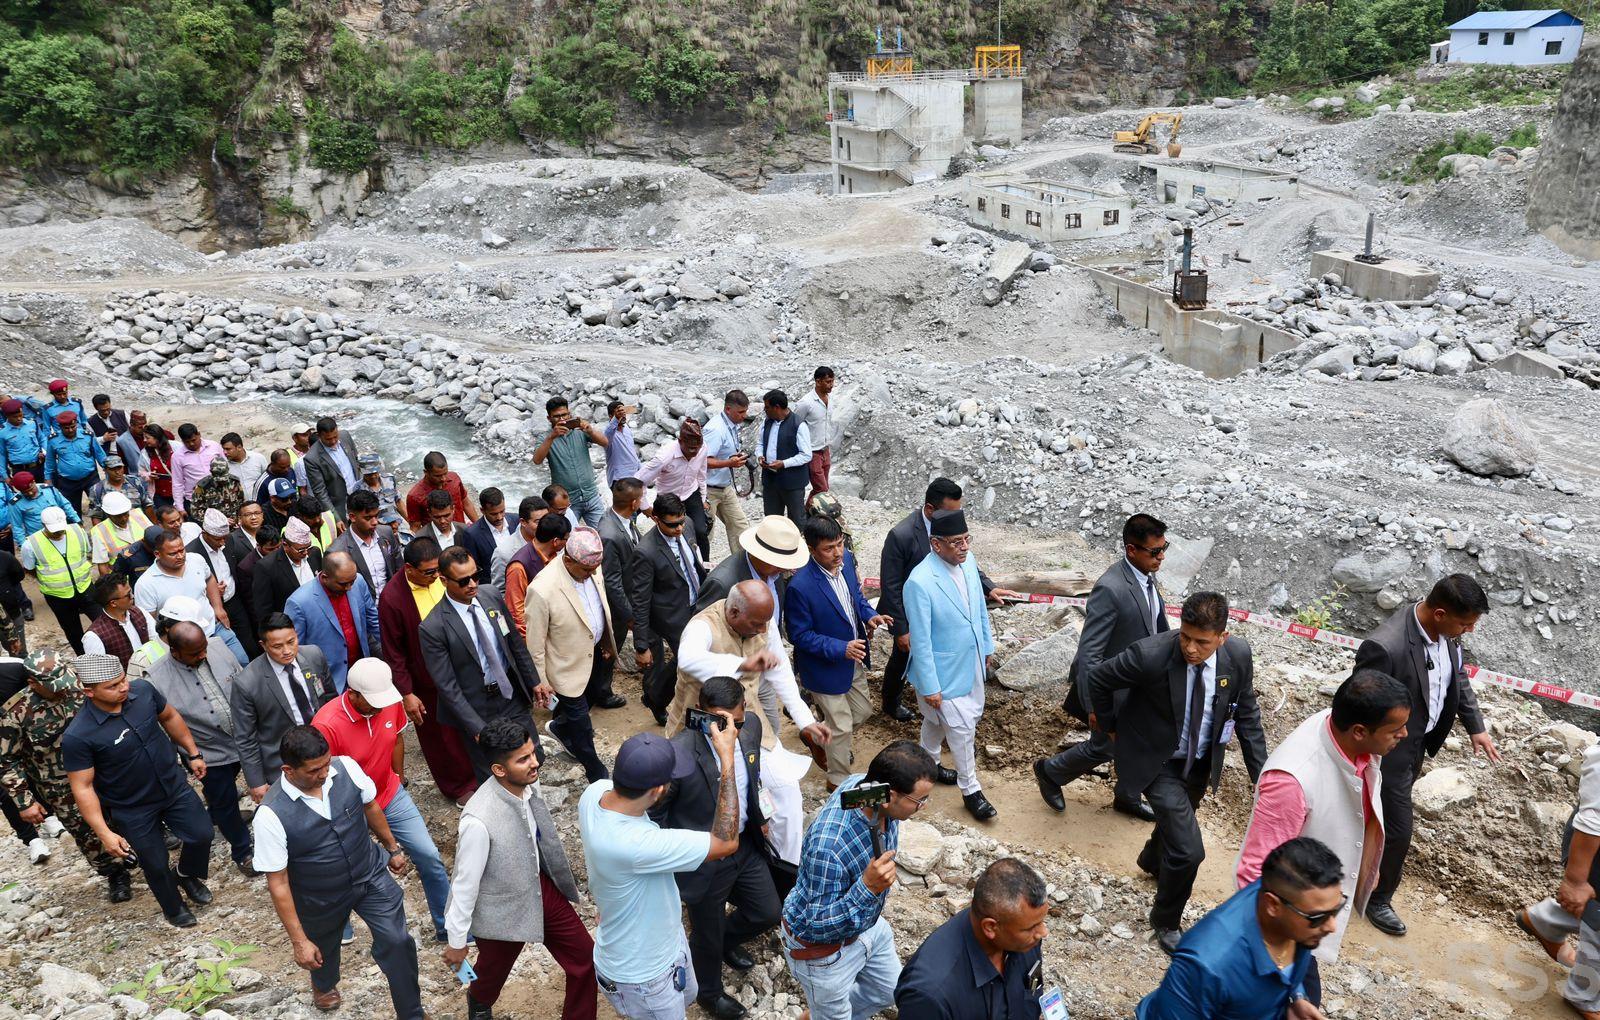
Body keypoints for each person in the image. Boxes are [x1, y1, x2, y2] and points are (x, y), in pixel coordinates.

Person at [1088, 590, 1269, 954]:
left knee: (1178, 822)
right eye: (1185, 637)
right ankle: (1166, 921)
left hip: (1199, 761)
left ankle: (1152, 859)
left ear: (1223, 637)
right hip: (1156, 761)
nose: (1190, 648)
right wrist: (1109, 726)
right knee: (1188, 851)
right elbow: (1099, 679)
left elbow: (1247, 714)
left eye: (1202, 642)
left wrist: (1262, 776)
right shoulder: (1150, 655)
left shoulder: (1238, 656)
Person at [1236, 669, 1410, 1005]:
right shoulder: (1292, 781)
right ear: (1359, 731)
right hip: (1289, 924)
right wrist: (1280, 967)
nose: (1404, 734)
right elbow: (1255, 872)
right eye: (1395, 729)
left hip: (1306, 912)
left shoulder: (1346, 733)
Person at [1354, 573, 1500, 937]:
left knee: (1375, 819)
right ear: (1439, 614)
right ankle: (1378, 897)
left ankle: (1355, 872)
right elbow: (1360, 704)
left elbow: (1457, 677)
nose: (1470, 631)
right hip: (1385, 754)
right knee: (1398, 830)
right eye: (1465, 624)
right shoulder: (1386, 646)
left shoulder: (1447, 635)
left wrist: (1476, 726)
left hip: (1416, 746)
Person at [255, 725, 423, 1017]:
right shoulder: (270, 815)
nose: (324, 773)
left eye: (326, 764)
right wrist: (299, 941)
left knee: (398, 941)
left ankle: (412, 1013)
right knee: (322, 949)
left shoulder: (345, 768)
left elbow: (370, 806)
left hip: (369, 874)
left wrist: (392, 847)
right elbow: (278, 883)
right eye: (314, 770)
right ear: (288, 770)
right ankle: (323, 983)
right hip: (319, 895)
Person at [579, 729, 743, 1020]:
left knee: (687, 997)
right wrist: (727, 760)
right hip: (644, 975)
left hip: (657, 942)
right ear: (657, 790)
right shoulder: (636, 844)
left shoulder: (594, 794)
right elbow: (726, 842)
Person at [444, 716, 596, 1020]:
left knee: (585, 959)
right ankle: (478, 1000)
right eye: (523, 759)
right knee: (492, 972)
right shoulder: (477, 821)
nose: (535, 763)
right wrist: (457, 942)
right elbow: (464, 884)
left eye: (532, 753)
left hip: (540, 888)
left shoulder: (527, 780)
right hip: (500, 907)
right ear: (499, 769)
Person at [672, 580, 828, 870]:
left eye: (766, 623)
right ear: (733, 612)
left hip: (750, 722)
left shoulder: (762, 624)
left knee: (786, 790)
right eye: (756, 623)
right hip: (700, 728)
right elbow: (688, 659)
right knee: (701, 796)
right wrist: (742, 664)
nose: (762, 629)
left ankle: (786, 868)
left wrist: (806, 721)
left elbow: (780, 672)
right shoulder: (703, 625)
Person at [652, 678, 777, 1020]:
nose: (728, 730)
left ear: (745, 711)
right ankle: (709, 993)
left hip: (744, 845)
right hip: (703, 857)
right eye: (718, 722)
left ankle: (726, 941)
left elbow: (753, 776)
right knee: (706, 932)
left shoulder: (751, 728)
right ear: (701, 712)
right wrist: (670, 859)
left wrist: (761, 814)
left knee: (767, 911)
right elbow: (657, 814)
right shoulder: (678, 754)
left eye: (735, 721)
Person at [782, 741, 934, 1020]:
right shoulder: (829, 847)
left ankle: (818, 1015)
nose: (923, 807)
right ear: (890, 796)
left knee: (889, 991)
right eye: (919, 800)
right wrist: (867, 888)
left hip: (868, 927)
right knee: (833, 1014)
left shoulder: (865, 787)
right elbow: (814, 925)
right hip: (823, 954)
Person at [1035, 513, 1169, 823]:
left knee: (1137, 742)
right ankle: (1050, 772)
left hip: (1138, 686)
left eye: (1164, 548)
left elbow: (1154, 628)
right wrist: (1094, 705)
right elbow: (1090, 653)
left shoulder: (1146, 576)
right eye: (1155, 551)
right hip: (1112, 689)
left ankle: (1127, 796)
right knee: (1105, 746)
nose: (1161, 557)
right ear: (1131, 549)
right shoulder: (1111, 588)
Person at [62, 654, 214, 927]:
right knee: (154, 862)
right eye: (112, 686)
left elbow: (169, 716)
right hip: (132, 808)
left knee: (203, 834)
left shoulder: (142, 691)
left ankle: (185, 874)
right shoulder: (78, 735)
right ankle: (173, 908)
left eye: (123, 680)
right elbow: (82, 787)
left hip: (172, 786)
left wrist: (193, 753)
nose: (123, 688)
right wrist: (104, 833)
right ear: (89, 691)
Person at [312, 658, 452, 939]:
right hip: (348, 807)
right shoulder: (326, 725)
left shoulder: (388, 701)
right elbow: (322, 778)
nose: (380, 706)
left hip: (389, 793)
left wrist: (399, 777)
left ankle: (447, 926)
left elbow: (396, 739)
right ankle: (339, 927)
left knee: (429, 856)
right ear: (352, 694)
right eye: (372, 701)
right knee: (342, 868)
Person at [1138, 838, 1343, 1020]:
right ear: (1273, 906)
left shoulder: (1293, 908)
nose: (1332, 926)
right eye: (1318, 917)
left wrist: (1296, 997)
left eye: (1337, 909)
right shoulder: (1206, 966)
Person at [876, 478, 1015, 722]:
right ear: (930, 509)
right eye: (950, 512)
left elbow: (966, 563)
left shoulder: (953, 532)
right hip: (911, 612)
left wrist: (989, 587)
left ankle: (942, 692)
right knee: (902, 657)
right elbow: (891, 585)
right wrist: (901, 629)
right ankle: (891, 701)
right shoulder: (902, 535)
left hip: (941, 609)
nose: (955, 517)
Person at [0, 650, 133, 901]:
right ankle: (115, 873)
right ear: (33, 683)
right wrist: (24, 802)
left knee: (128, 806)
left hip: (105, 767)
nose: (62, 689)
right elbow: (6, 760)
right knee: (86, 831)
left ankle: (148, 843)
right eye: (53, 686)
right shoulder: (16, 713)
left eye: (64, 680)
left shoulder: (82, 686)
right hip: (61, 786)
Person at [421, 546, 549, 781]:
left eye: (475, 575)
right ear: (443, 580)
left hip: (510, 695)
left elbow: (514, 643)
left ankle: (532, 799)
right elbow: (447, 686)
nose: (472, 584)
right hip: (477, 707)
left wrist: (534, 680)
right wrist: (475, 726)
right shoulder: (433, 627)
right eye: (463, 581)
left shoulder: (490, 596)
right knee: (493, 772)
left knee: (533, 755)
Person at [904, 508, 998, 820]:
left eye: (967, 539)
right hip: (942, 672)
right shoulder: (919, 582)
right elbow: (921, 641)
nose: (964, 547)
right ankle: (970, 789)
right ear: (936, 544)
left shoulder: (968, 562)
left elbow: (979, 609)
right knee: (961, 729)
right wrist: (930, 686)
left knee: (934, 723)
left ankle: (927, 766)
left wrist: (986, 646)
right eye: (956, 542)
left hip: (970, 661)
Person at [786, 514, 892, 789]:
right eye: (829, 548)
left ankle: (818, 737)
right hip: (822, 667)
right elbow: (799, 635)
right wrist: (840, 647)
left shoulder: (845, 563)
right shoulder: (800, 586)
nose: (837, 553)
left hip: (852, 659)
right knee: (842, 725)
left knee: (863, 711)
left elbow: (856, 598)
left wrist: (870, 615)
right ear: (811, 549)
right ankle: (838, 781)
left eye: (840, 544)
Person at [146, 620, 254, 874]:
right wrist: (190, 755)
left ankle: (215, 813)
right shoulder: (156, 678)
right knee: (226, 798)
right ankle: (243, 852)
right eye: (195, 653)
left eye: (204, 648)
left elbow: (243, 681)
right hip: (207, 753)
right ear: (175, 652)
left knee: (229, 793)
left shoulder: (218, 647)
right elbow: (165, 724)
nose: (203, 655)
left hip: (244, 738)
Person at [378, 537, 477, 806]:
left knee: (469, 722)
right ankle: (458, 787)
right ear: (409, 568)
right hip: (426, 679)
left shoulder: (443, 579)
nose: (435, 577)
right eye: (429, 572)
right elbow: (393, 652)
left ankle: (480, 771)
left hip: (460, 667)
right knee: (439, 735)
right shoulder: (393, 598)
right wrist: (407, 693)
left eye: (438, 571)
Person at [894, 858, 1050, 1020]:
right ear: (990, 927)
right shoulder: (930, 996)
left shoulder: (1024, 937)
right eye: (1031, 927)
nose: (1043, 932)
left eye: (1041, 922)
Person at [1516, 737, 1600, 1005]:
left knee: (1593, 910)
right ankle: (1586, 996)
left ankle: (1547, 921)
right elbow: (1593, 820)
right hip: (1592, 847)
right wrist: (1575, 881)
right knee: (1597, 920)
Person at [524, 527, 612, 782]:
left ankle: (559, 726)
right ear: (568, 560)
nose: (592, 574)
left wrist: (606, 641)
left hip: (594, 655)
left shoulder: (591, 567)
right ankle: (597, 774)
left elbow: (599, 607)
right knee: (582, 725)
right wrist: (541, 681)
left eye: (595, 568)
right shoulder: (542, 589)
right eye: (586, 570)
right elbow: (535, 642)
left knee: (591, 699)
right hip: (564, 667)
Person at [230, 613, 336, 800]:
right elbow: (245, 738)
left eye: (291, 642)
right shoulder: (247, 683)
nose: (287, 651)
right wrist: (256, 782)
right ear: (263, 645)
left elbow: (330, 699)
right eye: (277, 646)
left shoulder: (313, 655)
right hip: (283, 763)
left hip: (326, 750)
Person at [628, 492, 706, 724]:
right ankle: (688, 711)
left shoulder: (687, 525)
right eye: (672, 525)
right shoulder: (646, 552)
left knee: (687, 659)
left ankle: (655, 696)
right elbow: (640, 600)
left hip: (698, 605)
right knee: (693, 663)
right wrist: (641, 645)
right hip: (672, 617)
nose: (679, 528)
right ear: (655, 519)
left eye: (681, 521)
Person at [134, 530, 247, 665]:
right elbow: (149, 621)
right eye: (173, 553)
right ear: (157, 554)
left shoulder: (196, 560)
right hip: (187, 647)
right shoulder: (146, 584)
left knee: (242, 662)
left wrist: (218, 607)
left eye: (182, 550)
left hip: (215, 628)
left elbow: (209, 578)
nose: (180, 556)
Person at [285, 551, 379, 694]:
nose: (349, 588)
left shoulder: (358, 581)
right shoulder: (299, 602)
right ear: (325, 577)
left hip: (363, 671)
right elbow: (297, 650)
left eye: (352, 582)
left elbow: (374, 621)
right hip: (330, 682)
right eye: (343, 584)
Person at [594, 478, 643, 711]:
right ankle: (602, 693)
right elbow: (612, 581)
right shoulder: (610, 534)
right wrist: (628, 614)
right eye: (641, 498)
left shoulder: (620, 520)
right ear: (633, 503)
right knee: (609, 649)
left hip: (627, 597)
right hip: (616, 608)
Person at [21, 505, 96, 653]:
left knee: (102, 621)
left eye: (61, 529)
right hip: (58, 596)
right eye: (54, 530)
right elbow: (29, 569)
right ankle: (84, 658)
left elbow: (85, 553)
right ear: (43, 525)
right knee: (73, 632)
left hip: (85, 587)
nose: (58, 533)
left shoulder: (78, 531)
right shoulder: (31, 544)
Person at [640, 419, 711, 561]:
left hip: (691, 493)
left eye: (697, 448)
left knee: (700, 532)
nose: (695, 452)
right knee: (670, 535)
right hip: (667, 499)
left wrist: (703, 498)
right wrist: (645, 507)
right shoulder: (664, 456)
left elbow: (702, 473)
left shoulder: (703, 448)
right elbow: (639, 480)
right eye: (690, 448)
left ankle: (705, 567)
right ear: (680, 441)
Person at [533, 396, 609, 527]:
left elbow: (605, 442)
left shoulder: (580, 431)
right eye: (557, 416)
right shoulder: (545, 437)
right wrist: (552, 437)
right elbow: (537, 460)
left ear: (569, 414)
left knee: (604, 532)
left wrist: (591, 431)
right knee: (566, 535)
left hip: (591, 495)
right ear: (549, 418)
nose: (562, 419)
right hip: (566, 503)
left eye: (565, 415)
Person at [189, 509, 249, 651]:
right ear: (204, 533)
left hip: (235, 601)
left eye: (225, 538)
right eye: (217, 539)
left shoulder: (229, 540)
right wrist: (211, 591)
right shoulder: (192, 553)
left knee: (248, 643)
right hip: (213, 610)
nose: (222, 543)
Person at [701, 390, 753, 554]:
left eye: (745, 411)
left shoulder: (731, 425)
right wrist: (729, 463)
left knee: (740, 527)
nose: (744, 416)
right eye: (741, 412)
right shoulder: (715, 429)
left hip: (725, 487)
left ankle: (743, 564)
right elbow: (703, 461)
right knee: (706, 532)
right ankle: (700, 566)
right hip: (708, 490)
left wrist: (734, 457)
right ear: (728, 409)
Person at [505, 512, 569, 640]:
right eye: (566, 539)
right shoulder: (518, 567)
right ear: (556, 541)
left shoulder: (554, 555)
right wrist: (530, 643)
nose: (568, 542)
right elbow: (517, 613)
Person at [328, 489, 402, 598]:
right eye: (368, 518)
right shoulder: (337, 551)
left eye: (376, 516)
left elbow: (399, 570)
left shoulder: (386, 533)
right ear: (352, 517)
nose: (375, 522)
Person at [252, 517, 323, 625]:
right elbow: (264, 609)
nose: (306, 553)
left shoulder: (314, 553)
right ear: (285, 545)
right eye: (301, 550)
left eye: (308, 547)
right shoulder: (266, 567)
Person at [757, 389, 810, 525]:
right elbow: (760, 443)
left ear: (777, 407)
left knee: (796, 520)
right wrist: (760, 455)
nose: (765, 411)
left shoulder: (799, 425)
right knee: (772, 520)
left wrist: (784, 463)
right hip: (771, 481)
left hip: (792, 482)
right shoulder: (766, 422)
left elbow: (806, 455)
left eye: (767, 407)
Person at [82, 573, 156, 668]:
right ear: (113, 603)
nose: (132, 596)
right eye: (128, 595)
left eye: (131, 591)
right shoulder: (93, 637)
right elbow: (100, 672)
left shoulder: (140, 612)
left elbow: (156, 641)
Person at [44, 410, 106, 516]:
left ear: (76, 423)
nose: (70, 430)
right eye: (66, 428)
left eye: (73, 426)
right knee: (72, 512)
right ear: (60, 427)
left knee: (100, 506)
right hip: (67, 482)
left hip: (90, 478)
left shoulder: (88, 436)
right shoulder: (53, 440)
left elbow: (100, 455)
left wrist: (108, 469)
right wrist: (48, 480)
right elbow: (50, 463)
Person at [302, 417, 361, 523]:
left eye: (335, 437)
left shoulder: (345, 436)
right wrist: (335, 518)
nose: (333, 441)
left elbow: (355, 459)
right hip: (340, 506)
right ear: (319, 436)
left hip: (359, 493)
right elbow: (320, 492)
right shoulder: (312, 458)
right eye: (328, 439)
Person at [792, 366, 835, 500]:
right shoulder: (806, 403)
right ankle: (806, 511)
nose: (831, 385)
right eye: (828, 382)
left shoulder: (830, 399)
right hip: (812, 451)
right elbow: (794, 425)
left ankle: (810, 511)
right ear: (818, 381)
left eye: (832, 381)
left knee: (823, 487)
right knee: (821, 488)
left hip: (825, 449)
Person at [489, 495, 549, 590]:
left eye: (547, 520)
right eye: (538, 522)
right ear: (523, 522)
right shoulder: (504, 553)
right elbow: (499, 592)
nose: (545, 525)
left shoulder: (554, 540)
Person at [405, 451, 477, 529]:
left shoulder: (454, 478)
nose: (443, 478)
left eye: (445, 473)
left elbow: (466, 503)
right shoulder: (414, 496)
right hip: (436, 535)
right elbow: (415, 526)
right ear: (426, 472)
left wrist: (480, 526)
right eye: (438, 476)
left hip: (461, 532)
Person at [460, 487, 515, 586]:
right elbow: (474, 569)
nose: (499, 517)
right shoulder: (472, 534)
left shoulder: (516, 520)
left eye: (502, 511)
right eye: (494, 514)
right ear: (482, 510)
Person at [89, 491, 151, 573]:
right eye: (118, 516)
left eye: (126, 514)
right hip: (123, 576)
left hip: (148, 570)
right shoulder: (99, 532)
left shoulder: (138, 515)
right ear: (108, 514)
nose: (124, 518)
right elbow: (102, 565)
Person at [8, 469, 80, 539]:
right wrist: (23, 544)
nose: (30, 493)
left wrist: (77, 521)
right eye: (25, 492)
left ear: (34, 482)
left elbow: (65, 505)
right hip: (38, 538)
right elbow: (17, 527)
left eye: (31, 489)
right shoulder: (15, 503)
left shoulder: (49, 489)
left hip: (59, 532)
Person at [169, 424, 224, 512]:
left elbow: (227, 466)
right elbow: (177, 483)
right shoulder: (177, 457)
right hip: (196, 502)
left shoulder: (214, 446)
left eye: (193, 440)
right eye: (187, 442)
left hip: (220, 496)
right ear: (182, 441)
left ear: (199, 434)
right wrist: (180, 508)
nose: (191, 444)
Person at [88, 456, 151, 524]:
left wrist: (153, 525)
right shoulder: (97, 489)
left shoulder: (135, 482)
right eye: (112, 469)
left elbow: (147, 505)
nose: (117, 472)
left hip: (138, 524)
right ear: (105, 470)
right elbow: (96, 516)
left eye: (119, 468)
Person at [356, 451, 407, 534]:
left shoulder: (389, 479)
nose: (373, 476)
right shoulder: (357, 490)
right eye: (369, 474)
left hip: (396, 524)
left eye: (375, 472)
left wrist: (411, 522)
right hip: (376, 530)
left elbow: (398, 501)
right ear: (360, 470)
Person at [189, 456, 244, 526]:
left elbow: (241, 502)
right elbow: (195, 511)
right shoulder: (202, 486)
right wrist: (219, 520)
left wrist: (240, 519)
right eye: (218, 480)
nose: (222, 481)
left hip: (235, 524)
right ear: (211, 472)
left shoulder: (235, 482)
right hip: (214, 526)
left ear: (228, 469)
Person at [0, 399, 44, 479]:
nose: (19, 418)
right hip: (19, 470)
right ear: (7, 416)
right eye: (15, 417)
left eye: (20, 415)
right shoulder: (2, 432)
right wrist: (5, 476)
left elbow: (42, 439)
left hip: (38, 467)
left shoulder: (32, 423)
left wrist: (44, 452)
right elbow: (1, 455)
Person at [111, 523, 166, 588]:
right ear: (143, 541)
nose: (158, 553)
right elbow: (116, 581)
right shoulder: (129, 557)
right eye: (153, 549)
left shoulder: (171, 547)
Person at [603, 399, 642, 486]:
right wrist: (616, 419)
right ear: (610, 416)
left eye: (623, 413)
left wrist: (640, 468)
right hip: (619, 479)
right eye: (618, 414)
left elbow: (631, 451)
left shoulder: (626, 428)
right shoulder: (608, 432)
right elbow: (608, 435)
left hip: (635, 475)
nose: (623, 416)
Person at [138, 424, 176, 510]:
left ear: (156, 437)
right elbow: (141, 471)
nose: (144, 440)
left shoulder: (175, 447)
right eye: (144, 437)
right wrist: (149, 475)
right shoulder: (145, 453)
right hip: (160, 495)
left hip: (179, 492)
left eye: (147, 438)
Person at [221, 432, 268, 499]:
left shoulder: (258, 458)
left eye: (228, 449)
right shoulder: (223, 466)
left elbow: (267, 479)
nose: (224, 452)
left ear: (239, 447)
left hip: (261, 502)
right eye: (223, 449)